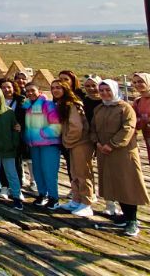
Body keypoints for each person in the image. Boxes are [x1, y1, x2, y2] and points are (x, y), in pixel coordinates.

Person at [91, 79, 150, 237]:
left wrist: (112, 144)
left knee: (127, 184)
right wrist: (97, 142)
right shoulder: (99, 108)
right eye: (102, 90)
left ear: (115, 90)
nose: (104, 93)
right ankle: (125, 216)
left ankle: (132, 221)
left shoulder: (125, 108)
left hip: (122, 153)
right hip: (105, 153)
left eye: (107, 90)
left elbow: (128, 128)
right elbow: (93, 128)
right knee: (114, 183)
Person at [51, 79, 95, 217]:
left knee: (83, 173)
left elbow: (77, 127)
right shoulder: (62, 104)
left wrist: (67, 140)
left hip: (80, 142)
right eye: (53, 88)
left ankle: (87, 203)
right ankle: (77, 199)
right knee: (74, 172)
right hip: (72, 143)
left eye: (58, 87)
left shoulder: (72, 104)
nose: (55, 90)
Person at [23, 81, 62, 209]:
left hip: (48, 144)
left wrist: (40, 133)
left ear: (39, 91)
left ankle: (53, 197)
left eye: (32, 90)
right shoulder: (28, 107)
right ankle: (42, 194)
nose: (30, 93)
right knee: (38, 171)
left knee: (49, 171)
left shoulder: (48, 105)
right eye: (27, 91)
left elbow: (56, 126)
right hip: (34, 145)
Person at [0, 78, 27, 196]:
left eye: (9, 87)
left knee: (16, 163)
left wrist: (21, 126)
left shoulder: (21, 101)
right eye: (3, 87)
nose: (6, 89)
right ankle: (4, 186)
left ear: (14, 88)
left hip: (15, 137)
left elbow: (26, 117)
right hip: (1, 136)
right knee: (2, 162)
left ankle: (16, 188)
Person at [132, 72, 150, 165]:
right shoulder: (138, 101)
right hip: (147, 136)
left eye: (140, 81)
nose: (137, 84)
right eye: (134, 82)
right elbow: (133, 121)